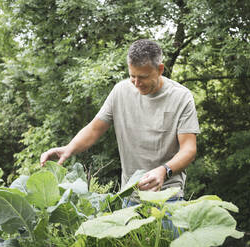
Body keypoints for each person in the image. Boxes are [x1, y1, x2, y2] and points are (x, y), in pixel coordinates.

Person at [40, 39, 200, 202]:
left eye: (143, 77)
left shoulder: (181, 97)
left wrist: (164, 171)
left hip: (168, 196)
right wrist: (69, 148)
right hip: (130, 195)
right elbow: (95, 129)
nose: (137, 83)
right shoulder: (120, 91)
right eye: (132, 76)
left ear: (160, 69)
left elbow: (189, 149)